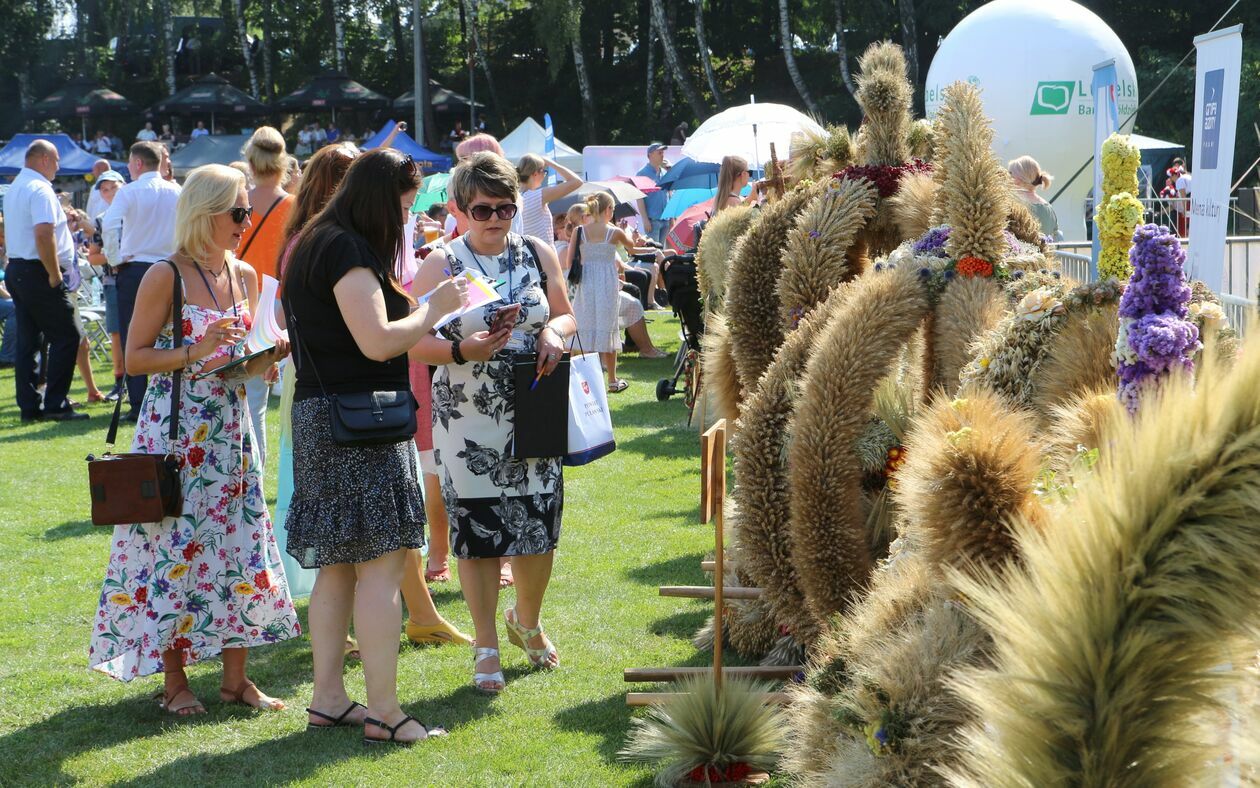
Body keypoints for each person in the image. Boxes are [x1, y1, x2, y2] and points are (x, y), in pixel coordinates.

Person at [89, 163, 300, 712]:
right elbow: (130, 359)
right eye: (238, 212)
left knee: (239, 547)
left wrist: (265, 361)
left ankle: (236, 682)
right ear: (204, 214)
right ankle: (175, 683)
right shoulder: (166, 274)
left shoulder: (247, 276)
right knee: (175, 550)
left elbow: (236, 360)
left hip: (231, 433)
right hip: (176, 435)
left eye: (247, 211)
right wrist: (196, 351)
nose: (246, 221)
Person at [283, 148, 467, 743]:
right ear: (379, 200)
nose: (406, 220)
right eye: (405, 207)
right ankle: (386, 713)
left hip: (323, 418)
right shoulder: (346, 249)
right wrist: (435, 310)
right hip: (358, 424)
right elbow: (377, 342)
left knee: (336, 569)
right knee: (383, 568)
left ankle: (329, 700)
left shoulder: (315, 240)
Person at [413, 151, 575, 693]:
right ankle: (485, 645)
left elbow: (565, 311)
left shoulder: (537, 250)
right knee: (478, 530)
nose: (496, 220)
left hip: (534, 404)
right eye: (484, 210)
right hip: (467, 415)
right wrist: (463, 351)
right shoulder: (440, 264)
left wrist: (556, 332)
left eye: (506, 208)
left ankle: (524, 621)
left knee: (538, 528)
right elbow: (413, 342)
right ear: (460, 209)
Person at [3, 141, 88, 422]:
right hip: (38, 271)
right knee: (68, 335)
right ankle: (55, 404)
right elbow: (43, 232)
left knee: (30, 340)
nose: (58, 166)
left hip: (19, 268)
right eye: (55, 160)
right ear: (42, 159)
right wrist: (54, 273)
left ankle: (30, 405)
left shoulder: (16, 186)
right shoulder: (39, 188)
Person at [102, 141, 181, 421]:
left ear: (137, 163)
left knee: (132, 334)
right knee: (172, 331)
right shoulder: (177, 191)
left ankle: (138, 404)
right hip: (171, 267)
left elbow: (109, 224)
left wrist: (114, 258)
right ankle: (174, 394)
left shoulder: (129, 191)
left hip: (135, 268)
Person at [236, 127, 296, 471]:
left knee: (246, 399)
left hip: (238, 300)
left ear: (251, 161)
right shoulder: (294, 206)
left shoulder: (238, 201)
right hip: (276, 307)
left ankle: (249, 472)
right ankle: (254, 473)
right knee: (258, 403)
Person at [567, 191, 646, 392]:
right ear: (608, 209)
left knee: (585, 328)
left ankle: (584, 381)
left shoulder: (579, 231)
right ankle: (612, 380)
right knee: (608, 328)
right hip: (607, 282)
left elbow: (570, 261)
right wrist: (654, 250)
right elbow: (633, 250)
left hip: (586, 282)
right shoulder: (614, 232)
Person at [87, 171, 126, 400]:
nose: (109, 192)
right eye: (104, 189)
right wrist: (116, 258)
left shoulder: (136, 214)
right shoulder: (101, 219)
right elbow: (93, 256)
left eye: (113, 187)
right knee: (116, 333)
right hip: (113, 281)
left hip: (141, 278)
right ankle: (120, 380)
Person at [515, 154, 583, 249]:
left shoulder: (515, 196)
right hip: (544, 253)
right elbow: (576, 181)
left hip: (526, 253)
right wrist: (551, 163)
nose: (544, 176)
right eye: (544, 171)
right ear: (535, 173)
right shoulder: (537, 196)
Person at [1007, 155, 1061, 240]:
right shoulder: (1049, 208)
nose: (1007, 177)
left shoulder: (1012, 205)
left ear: (1017, 179)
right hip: (1045, 253)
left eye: (1009, 173)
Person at [637, 143, 672, 245]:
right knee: (654, 252)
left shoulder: (665, 172)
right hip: (652, 221)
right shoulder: (642, 174)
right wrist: (645, 219)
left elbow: (669, 195)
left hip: (665, 219)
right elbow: (639, 198)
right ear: (650, 155)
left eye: (663, 153)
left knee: (662, 252)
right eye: (659, 153)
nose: (662, 155)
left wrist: (671, 218)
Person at [1174, 158, 1192, 237]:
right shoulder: (1189, 175)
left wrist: (1184, 210)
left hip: (1189, 201)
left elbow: (1183, 196)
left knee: (1187, 221)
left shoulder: (1180, 180)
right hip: (1191, 200)